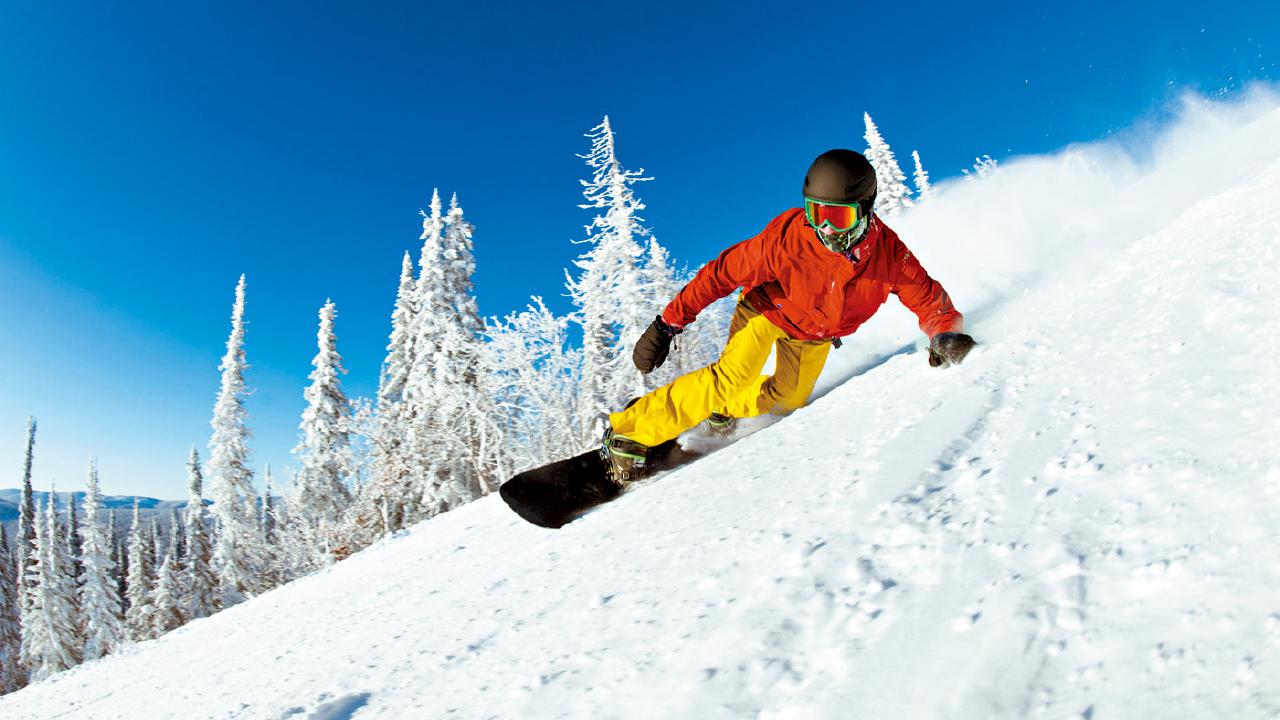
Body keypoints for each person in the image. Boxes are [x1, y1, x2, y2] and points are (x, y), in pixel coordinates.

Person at [599, 149, 977, 484]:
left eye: (838, 217)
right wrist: (667, 324)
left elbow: (929, 299)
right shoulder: (787, 239)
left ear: (865, 209)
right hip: (766, 310)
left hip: (814, 335)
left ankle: (723, 410)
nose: (825, 229)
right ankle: (630, 431)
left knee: (788, 399)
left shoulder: (889, 255)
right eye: (817, 213)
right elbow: (720, 274)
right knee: (733, 377)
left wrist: (944, 333)